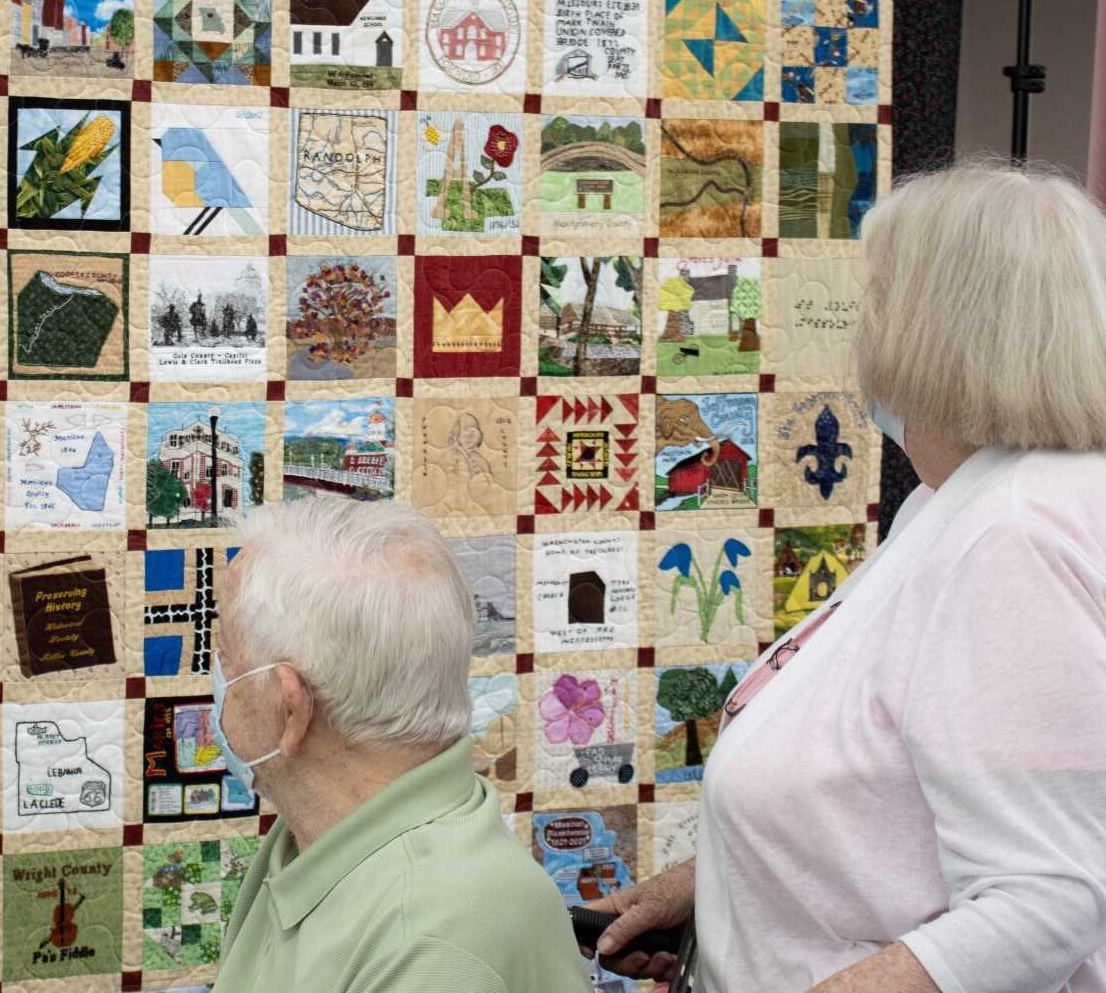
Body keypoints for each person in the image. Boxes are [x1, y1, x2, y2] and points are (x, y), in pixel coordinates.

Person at [588, 164, 1106, 991]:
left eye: (876, 298)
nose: (860, 329)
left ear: (937, 329)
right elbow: (893, 795)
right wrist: (714, 891)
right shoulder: (956, 504)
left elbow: (1048, 898)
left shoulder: (1013, 537)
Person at [213, 498, 591, 992]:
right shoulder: (322, 835)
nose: (216, 678)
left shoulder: (433, 949)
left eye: (224, 654)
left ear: (290, 709)